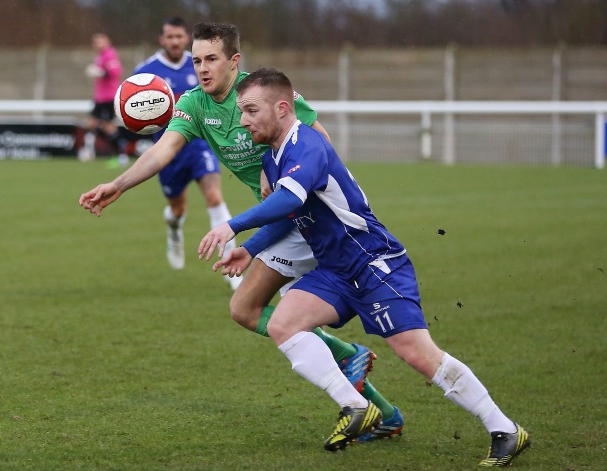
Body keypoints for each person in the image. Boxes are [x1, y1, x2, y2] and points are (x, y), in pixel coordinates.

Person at [79, 22, 403, 440]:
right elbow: (164, 148)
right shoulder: (194, 104)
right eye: (196, 60)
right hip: (282, 217)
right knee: (287, 322)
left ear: (234, 61)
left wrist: (294, 175)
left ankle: (354, 369)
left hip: (307, 213)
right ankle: (384, 411)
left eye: (211, 59)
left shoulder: (263, 95)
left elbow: (318, 141)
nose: (202, 68)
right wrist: (118, 184)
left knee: (249, 309)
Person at [199, 67, 530, 464]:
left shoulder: (308, 144)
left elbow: (288, 200)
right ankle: (356, 406)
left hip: (375, 264)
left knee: (417, 354)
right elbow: (289, 216)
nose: (243, 120)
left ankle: (505, 429)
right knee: (285, 323)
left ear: (283, 107)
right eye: (241, 111)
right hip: (336, 272)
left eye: (251, 110)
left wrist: (231, 226)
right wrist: (250, 249)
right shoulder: (273, 159)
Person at [132, 18, 240, 290]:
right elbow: (135, 117)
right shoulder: (146, 74)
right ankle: (173, 229)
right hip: (167, 151)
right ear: (162, 39)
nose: (175, 42)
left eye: (180, 36)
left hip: (200, 145)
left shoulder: (202, 63)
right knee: (178, 209)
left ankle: (233, 273)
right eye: (170, 37)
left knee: (214, 197)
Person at [80, 32, 129, 167]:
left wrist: (99, 72)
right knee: (92, 123)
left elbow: (115, 72)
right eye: (95, 42)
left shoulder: (110, 54)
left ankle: (122, 154)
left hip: (109, 97)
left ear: (107, 41)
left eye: (100, 41)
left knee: (108, 127)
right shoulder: (100, 56)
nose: (97, 44)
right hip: (100, 97)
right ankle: (89, 151)